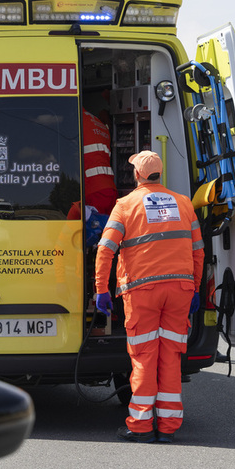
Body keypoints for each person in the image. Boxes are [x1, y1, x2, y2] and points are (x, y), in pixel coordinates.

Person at [93, 150, 205, 443]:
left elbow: (106, 249)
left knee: (144, 357)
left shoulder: (125, 205)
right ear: (159, 173)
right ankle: (168, 427)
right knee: (170, 356)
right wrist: (194, 287)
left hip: (142, 291)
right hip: (180, 291)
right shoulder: (183, 204)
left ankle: (141, 426)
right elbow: (198, 251)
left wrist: (101, 290)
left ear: (138, 175)